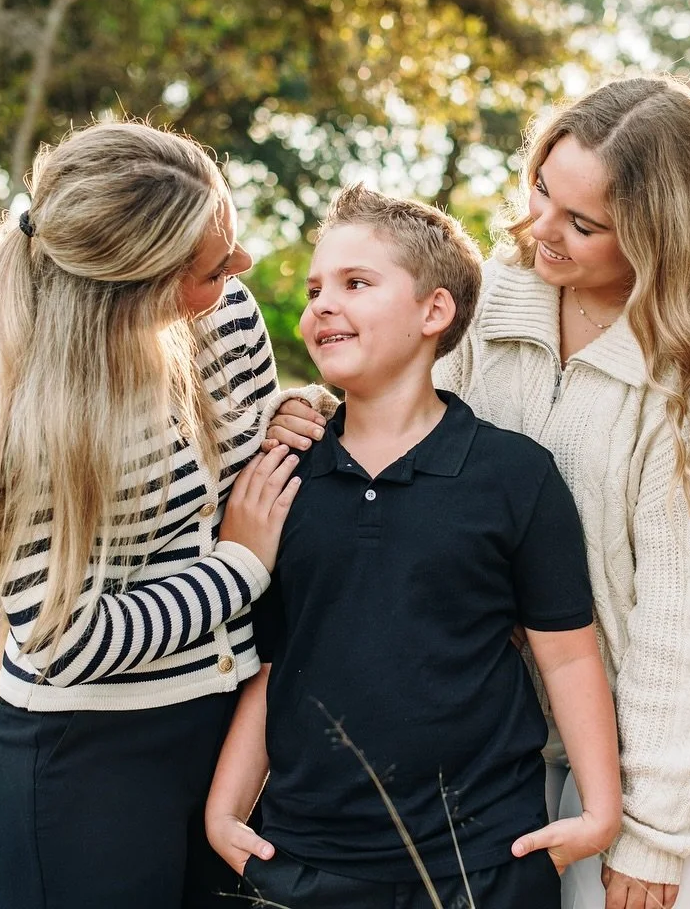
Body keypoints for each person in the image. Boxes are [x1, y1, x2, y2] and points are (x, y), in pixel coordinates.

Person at [266, 75, 690, 909]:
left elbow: (685, 628)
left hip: (632, 757)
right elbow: (407, 408)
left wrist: (653, 835)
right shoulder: (499, 300)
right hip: (492, 750)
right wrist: (316, 408)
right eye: (542, 192)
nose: (538, 230)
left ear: (659, 238)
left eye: (581, 224)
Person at [203, 185, 623, 909]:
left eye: (356, 283)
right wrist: (224, 808)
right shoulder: (280, 480)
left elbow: (567, 652)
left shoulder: (513, 475)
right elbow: (276, 663)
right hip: (306, 860)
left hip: (484, 863)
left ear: (434, 312)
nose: (321, 305)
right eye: (314, 289)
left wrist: (599, 812)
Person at [0, 121, 312, 909]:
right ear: (141, 284)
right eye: (215, 267)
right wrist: (239, 570)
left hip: (237, 737)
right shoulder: (32, 415)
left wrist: (291, 421)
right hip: (92, 763)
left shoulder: (229, 320)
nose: (243, 268)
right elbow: (65, 639)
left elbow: (238, 485)